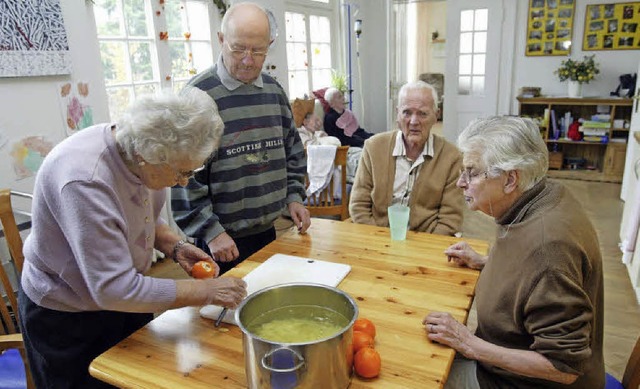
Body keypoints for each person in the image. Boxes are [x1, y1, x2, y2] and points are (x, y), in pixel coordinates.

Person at [18, 88, 248, 388]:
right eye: (181, 172)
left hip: (121, 301)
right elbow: (113, 288)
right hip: (66, 315)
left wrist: (173, 244)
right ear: (145, 156)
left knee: (135, 380)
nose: (183, 181)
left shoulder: (146, 155)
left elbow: (141, 216)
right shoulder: (84, 180)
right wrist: (207, 291)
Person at [423, 116, 604, 388]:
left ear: (510, 179)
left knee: (414, 373)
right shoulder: (540, 196)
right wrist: (486, 262)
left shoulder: (549, 248)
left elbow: (564, 367)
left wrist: (468, 343)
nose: (461, 182)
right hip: (500, 362)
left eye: (472, 172)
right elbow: (530, 278)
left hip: (517, 382)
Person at [171, 2, 310, 275]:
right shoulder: (197, 96)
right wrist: (211, 232)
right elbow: (182, 178)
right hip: (219, 241)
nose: (248, 59)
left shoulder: (274, 92)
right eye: (239, 48)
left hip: (268, 232)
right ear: (221, 40)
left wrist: (294, 196)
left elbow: (292, 151)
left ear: (269, 45)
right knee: (219, 316)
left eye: (258, 50)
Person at [349, 80, 463, 236]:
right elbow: (358, 205)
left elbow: (450, 218)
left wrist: (424, 248)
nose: (414, 121)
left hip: (426, 242)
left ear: (436, 115)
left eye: (422, 113)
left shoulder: (452, 157)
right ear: (398, 114)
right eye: (407, 112)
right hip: (376, 236)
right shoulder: (373, 147)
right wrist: (377, 241)